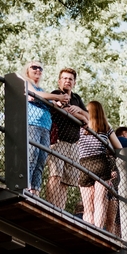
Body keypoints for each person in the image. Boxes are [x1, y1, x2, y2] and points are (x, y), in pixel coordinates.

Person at [46, 67, 89, 208]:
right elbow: (65, 110)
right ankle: (51, 208)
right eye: (64, 78)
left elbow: (89, 117)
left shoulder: (76, 98)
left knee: (66, 181)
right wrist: (81, 117)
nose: (67, 81)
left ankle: (60, 210)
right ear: (59, 81)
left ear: (74, 83)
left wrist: (81, 111)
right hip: (59, 142)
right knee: (55, 176)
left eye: (70, 79)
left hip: (74, 144)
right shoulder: (57, 94)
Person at [21, 60, 66, 195]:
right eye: (34, 67)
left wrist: (57, 101)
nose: (38, 70)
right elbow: (36, 96)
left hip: (45, 128)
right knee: (32, 156)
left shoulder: (42, 90)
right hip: (32, 124)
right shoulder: (26, 82)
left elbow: (50, 100)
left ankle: (35, 190)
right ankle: (25, 187)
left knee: (41, 159)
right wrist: (56, 97)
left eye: (40, 68)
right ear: (27, 70)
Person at [77, 100, 122, 231]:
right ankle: (98, 229)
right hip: (101, 163)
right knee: (99, 200)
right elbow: (119, 147)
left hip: (84, 164)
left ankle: (88, 228)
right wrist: (108, 149)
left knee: (87, 204)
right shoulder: (105, 127)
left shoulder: (82, 124)